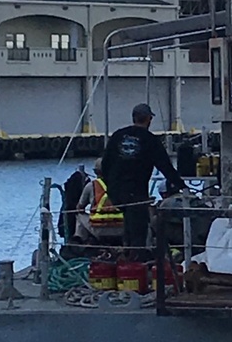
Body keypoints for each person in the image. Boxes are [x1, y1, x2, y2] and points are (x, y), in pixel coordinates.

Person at [100, 104, 184, 251]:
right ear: (149, 119)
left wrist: (110, 187)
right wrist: (182, 186)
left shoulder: (118, 135)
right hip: (136, 192)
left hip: (116, 191)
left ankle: (127, 252)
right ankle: (135, 260)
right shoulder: (150, 140)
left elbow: (105, 164)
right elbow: (164, 166)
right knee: (139, 227)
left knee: (129, 221)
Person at [74, 159, 124, 244]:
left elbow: (80, 208)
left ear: (96, 172)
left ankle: (81, 243)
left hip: (99, 230)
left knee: (79, 215)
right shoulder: (122, 184)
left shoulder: (91, 185)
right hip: (121, 229)